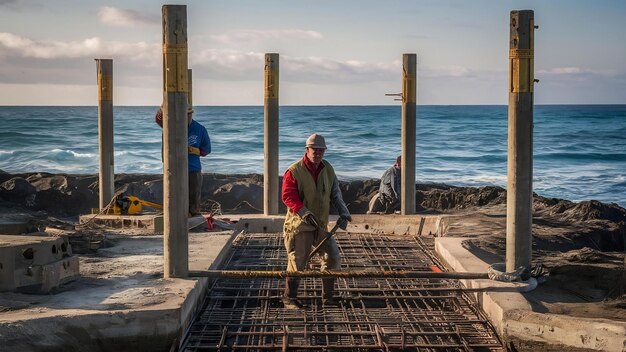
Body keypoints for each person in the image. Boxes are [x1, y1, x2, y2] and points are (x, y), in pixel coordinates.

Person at [281, 133, 352, 309]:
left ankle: (327, 298)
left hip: (320, 224)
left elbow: (335, 193)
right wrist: (304, 212)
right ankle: (289, 298)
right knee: (297, 262)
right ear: (307, 150)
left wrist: (344, 212)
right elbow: (288, 196)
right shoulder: (294, 171)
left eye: (321, 150)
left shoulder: (328, 169)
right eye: (314, 149)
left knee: (333, 258)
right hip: (300, 225)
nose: (318, 153)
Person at [155, 105, 211, 216]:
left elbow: (207, 149)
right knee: (174, 193)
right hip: (174, 167)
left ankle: (194, 214)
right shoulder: (171, 127)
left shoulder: (199, 129)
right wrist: (163, 107)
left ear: (190, 115)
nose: (185, 117)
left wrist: (195, 151)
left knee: (193, 194)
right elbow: (158, 119)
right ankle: (175, 214)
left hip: (193, 167)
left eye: (188, 115)